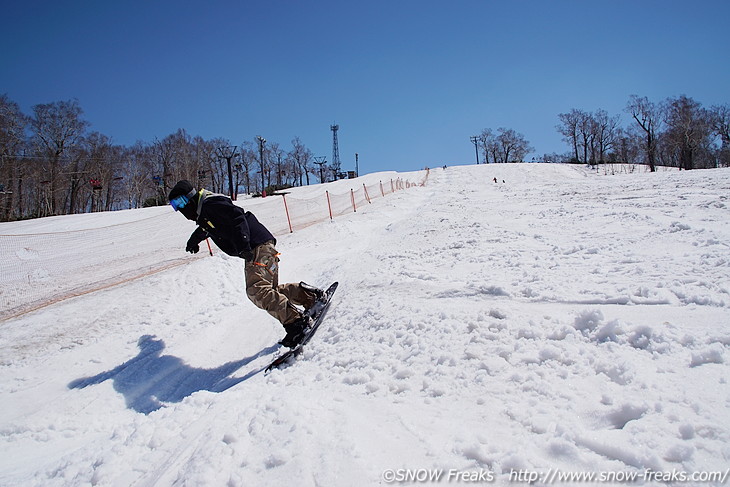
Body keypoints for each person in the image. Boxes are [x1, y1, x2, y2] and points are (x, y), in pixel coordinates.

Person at [168, 180, 322, 348]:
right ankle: (310, 297)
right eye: (175, 205)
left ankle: (297, 323)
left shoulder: (210, 204)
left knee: (256, 291)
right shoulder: (205, 211)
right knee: (268, 291)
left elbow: (236, 216)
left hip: (256, 246)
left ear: (190, 198)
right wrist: (194, 240)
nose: (180, 208)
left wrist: (243, 244)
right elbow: (208, 227)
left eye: (180, 202)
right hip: (262, 244)